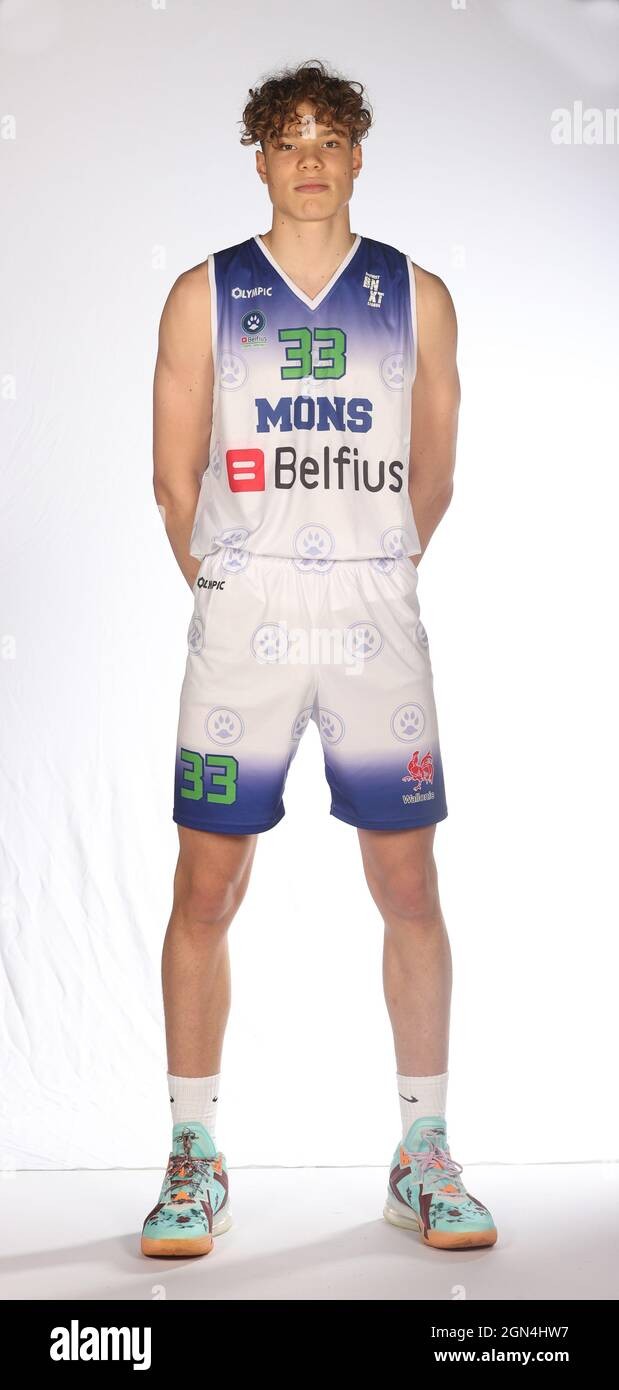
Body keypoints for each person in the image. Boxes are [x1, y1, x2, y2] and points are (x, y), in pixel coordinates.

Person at [141, 59, 497, 1258]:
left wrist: (369, 572)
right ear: (259, 158)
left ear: (355, 157)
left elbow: (433, 473)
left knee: (408, 885)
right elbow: (172, 476)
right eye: (288, 139)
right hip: (244, 616)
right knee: (206, 886)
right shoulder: (203, 293)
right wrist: (233, 589)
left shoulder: (416, 294)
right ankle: (192, 1153)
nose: (308, 158)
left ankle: (422, 1150)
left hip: (370, 617)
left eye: (329, 138)